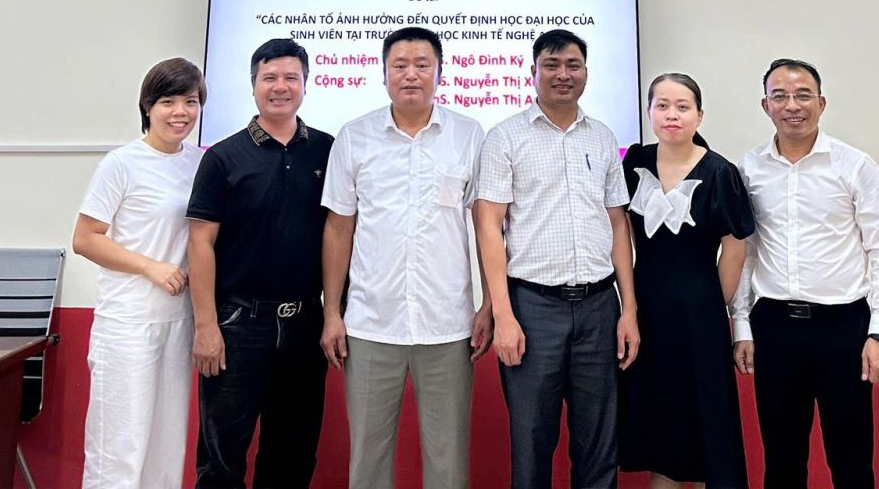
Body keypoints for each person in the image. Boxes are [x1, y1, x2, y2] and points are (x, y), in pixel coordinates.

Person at [320, 26, 493, 489]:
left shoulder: (468, 135)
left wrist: (490, 304)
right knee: (368, 460)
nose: (411, 74)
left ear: (440, 73)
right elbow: (338, 228)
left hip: (448, 323)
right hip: (370, 324)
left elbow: (486, 226)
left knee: (448, 461)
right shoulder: (354, 137)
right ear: (384, 74)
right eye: (400, 65)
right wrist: (332, 311)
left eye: (422, 65)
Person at [473, 29, 639, 489]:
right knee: (532, 443)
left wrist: (629, 309)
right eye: (551, 65)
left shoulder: (602, 137)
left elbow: (618, 224)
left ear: (586, 72)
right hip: (532, 309)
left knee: (599, 445)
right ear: (533, 72)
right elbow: (489, 227)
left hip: (599, 308)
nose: (563, 74)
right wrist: (503, 315)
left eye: (572, 65)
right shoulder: (505, 138)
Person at [731, 59, 879, 489]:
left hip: (842, 328)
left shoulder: (854, 165)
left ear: (821, 103)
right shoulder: (748, 169)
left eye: (803, 95)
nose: (793, 105)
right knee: (782, 461)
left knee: (851, 460)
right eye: (780, 96)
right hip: (774, 328)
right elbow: (745, 252)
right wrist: (742, 326)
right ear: (766, 105)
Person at [186, 38, 334, 489]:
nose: (280, 87)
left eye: (291, 77)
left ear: (306, 85)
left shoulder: (328, 151)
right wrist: (206, 327)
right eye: (269, 78)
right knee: (221, 461)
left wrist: (334, 313)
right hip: (237, 325)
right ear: (253, 86)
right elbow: (200, 243)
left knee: (293, 456)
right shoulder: (223, 157)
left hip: (305, 326)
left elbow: (339, 235)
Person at [73, 58, 206, 489]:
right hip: (127, 325)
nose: (180, 112)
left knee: (166, 452)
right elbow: (85, 239)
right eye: (168, 101)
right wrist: (150, 267)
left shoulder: (202, 163)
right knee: (119, 452)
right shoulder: (122, 163)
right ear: (148, 106)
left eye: (190, 101)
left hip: (179, 322)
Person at [619, 74, 754, 489]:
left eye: (682, 106)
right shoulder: (635, 164)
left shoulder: (720, 172)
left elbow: (734, 251)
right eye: (662, 105)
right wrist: (629, 306)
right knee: (661, 418)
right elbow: (620, 233)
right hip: (646, 308)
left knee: (704, 418)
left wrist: (712, 305)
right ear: (649, 112)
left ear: (699, 114)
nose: (672, 115)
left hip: (700, 311)